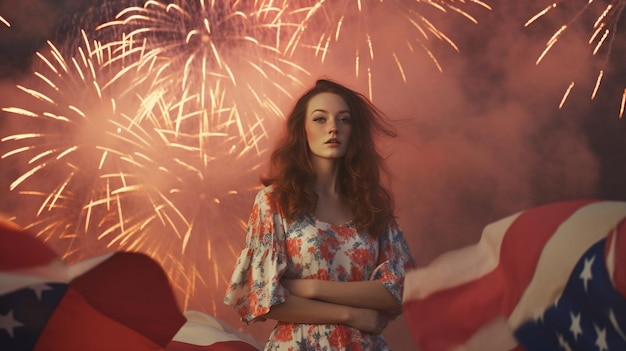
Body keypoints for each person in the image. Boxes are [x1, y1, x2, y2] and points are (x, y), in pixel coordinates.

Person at [223, 78, 416, 350]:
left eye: (344, 120)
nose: (333, 128)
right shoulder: (275, 201)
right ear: (302, 130)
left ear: (355, 131)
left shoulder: (373, 205)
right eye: (319, 119)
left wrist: (308, 288)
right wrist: (350, 314)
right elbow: (262, 298)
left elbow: (399, 290)